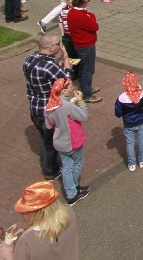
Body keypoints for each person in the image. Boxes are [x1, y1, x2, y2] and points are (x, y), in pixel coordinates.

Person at [23, 34, 72, 180]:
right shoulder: (49, 66)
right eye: (58, 44)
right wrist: (66, 59)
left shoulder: (29, 59)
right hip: (49, 110)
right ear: (51, 47)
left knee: (45, 137)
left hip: (35, 107)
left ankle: (50, 167)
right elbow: (66, 81)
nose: (60, 46)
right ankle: (50, 171)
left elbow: (45, 76)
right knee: (50, 141)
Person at [0, 181, 79, 258]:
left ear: (37, 212)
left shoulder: (26, 242)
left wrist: (8, 255)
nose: (21, 214)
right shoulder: (69, 213)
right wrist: (27, 228)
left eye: (24, 211)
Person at [44, 77, 91, 205]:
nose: (71, 89)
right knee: (77, 163)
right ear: (63, 91)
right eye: (69, 87)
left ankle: (71, 194)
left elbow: (48, 126)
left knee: (66, 167)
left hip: (60, 143)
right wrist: (80, 101)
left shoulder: (49, 106)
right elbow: (83, 116)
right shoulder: (67, 106)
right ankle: (74, 188)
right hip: (73, 141)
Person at [65, 0, 101, 102]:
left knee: (83, 67)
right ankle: (87, 94)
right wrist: (89, 14)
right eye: (87, 0)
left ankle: (86, 88)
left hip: (79, 45)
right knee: (88, 70)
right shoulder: (82, 16)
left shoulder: (71, 12)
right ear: (83, 3)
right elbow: (95, 26)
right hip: (86, 45)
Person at [114, 71, 143, 172]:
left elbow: (118, 113)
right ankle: (142, 161)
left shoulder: (121, 98)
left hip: (128, 124)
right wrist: (141, 90)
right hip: (141, 121)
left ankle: (131, 164)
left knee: (130, 143)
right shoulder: (141, 93)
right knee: (141, 141)